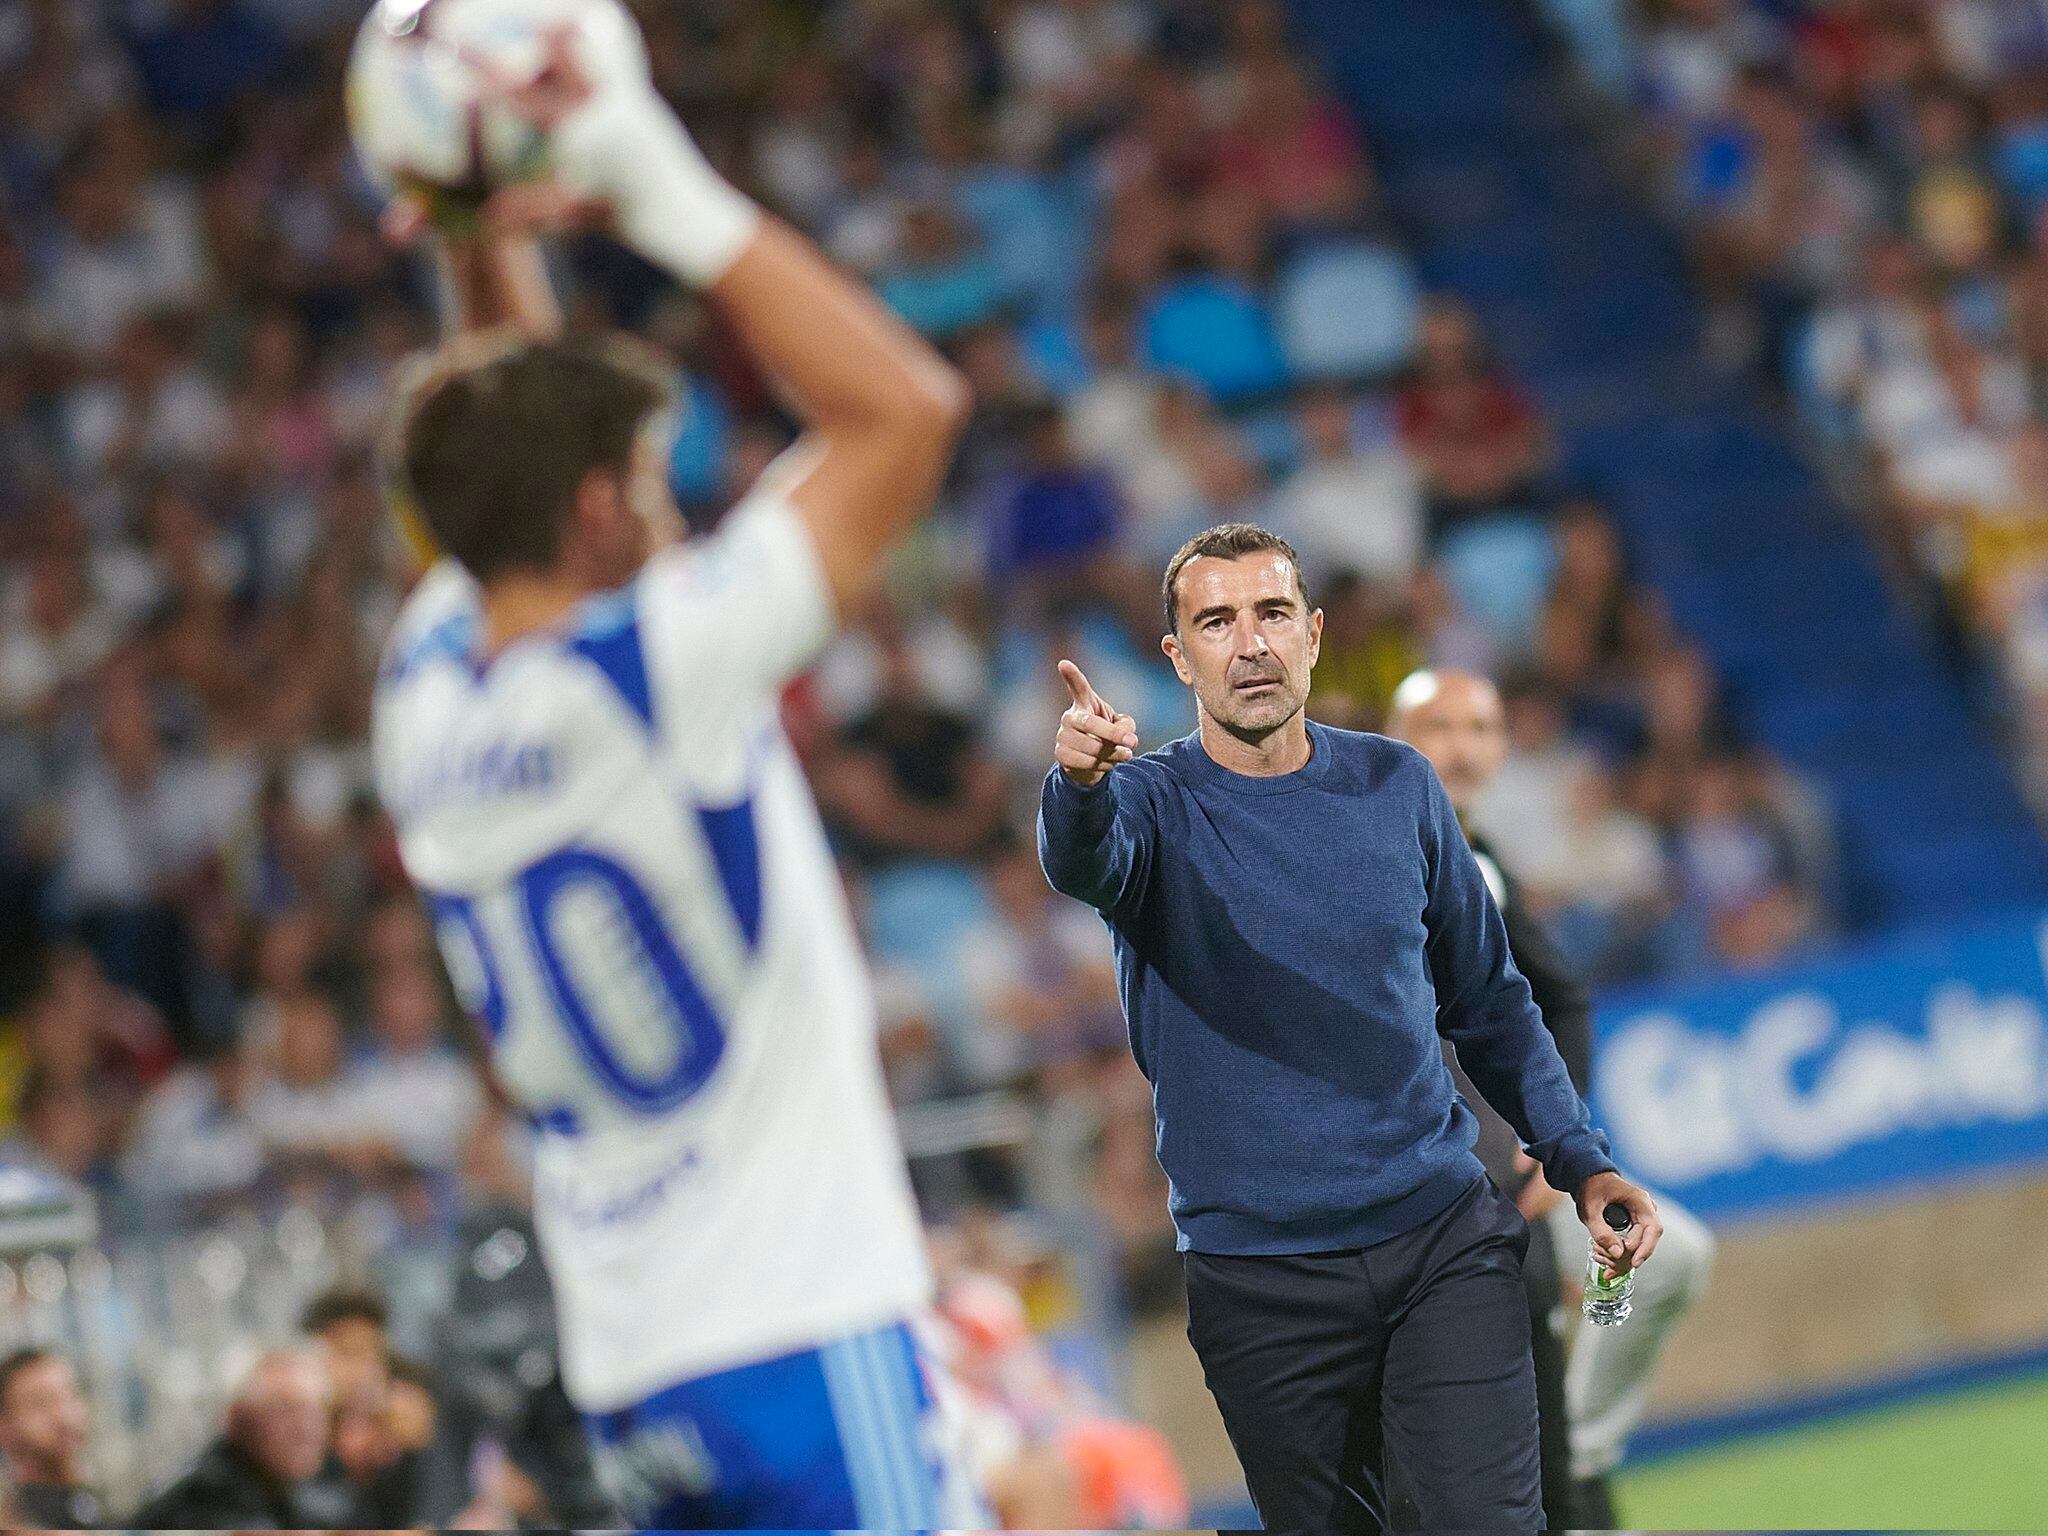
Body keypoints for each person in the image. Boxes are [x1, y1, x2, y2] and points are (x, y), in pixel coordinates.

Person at [367, 19, 975, 1528]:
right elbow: (908, 410)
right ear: (593, 515)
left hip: (634, 1359)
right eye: (646, 490)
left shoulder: (424, 697)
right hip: (801, 1332)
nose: (670, 520)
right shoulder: (660, 668)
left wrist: (476, 216)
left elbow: (492, 443)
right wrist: (654, 185)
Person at [1037, 522, 1661, 1533]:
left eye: (1271, 613)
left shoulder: (1397, 785)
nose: (1249, 643)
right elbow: (1081, 863)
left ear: (1313, 635)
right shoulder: (1142, 805)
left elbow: (1490, 999)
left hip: (1441, 1245)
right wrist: (1075, 785)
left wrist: (1579, 1160)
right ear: (1177, 655)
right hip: (1261, 1282)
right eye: (1215, 621)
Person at [1387, 668, 1717, 1527]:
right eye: (1440, 726)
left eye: (1482, 728)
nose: (1462, 748)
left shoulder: (1481, 855)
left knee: (1650, 1265)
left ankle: (1583, 1439)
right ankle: (1570, 1457)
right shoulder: (1392, 852)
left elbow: (1557, 995)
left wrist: (1551, 1134)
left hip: (1518, 1164)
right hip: (1444, 1181)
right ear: (1395, 737)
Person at [132, 1348, 352, 1528]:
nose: (305, 1429)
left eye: (315, 1410)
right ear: (237, 1417)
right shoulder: (200, 1503)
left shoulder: (315, 1491)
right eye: (285, 1410)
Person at [0, 1348, 104, 1528]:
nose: (64, 1416)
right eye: (40, 1403)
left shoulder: (87, 1503)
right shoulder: (23, 1522)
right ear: (5, 1427)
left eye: (71, 1394)